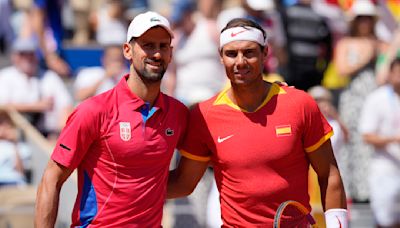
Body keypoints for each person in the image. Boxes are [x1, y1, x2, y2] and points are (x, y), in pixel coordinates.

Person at [167, 18, 348, 227]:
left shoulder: (300, 104)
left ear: (265, 54)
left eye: (249, 52)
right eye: (231, 54)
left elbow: (329, 173)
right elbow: (183, 183)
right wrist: (127, 184)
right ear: (221, 57)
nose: (240, 62)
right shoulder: (204, 115)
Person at [34, 11, 189, 227]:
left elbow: (184, 183)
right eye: (148, 45)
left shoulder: (178, 113)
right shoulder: (94, 110)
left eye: (163, 46)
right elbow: (51, 180)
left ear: (171, 53)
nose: (156, 53)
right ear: (128, 50)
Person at [0, 37, 73, 139]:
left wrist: (60, 136)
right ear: (14, 56)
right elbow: (2, 107)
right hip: (13, 136)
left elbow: (66, 106)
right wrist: (36, 106)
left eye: (31, 54)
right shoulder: (5, 76)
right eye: (23, 54)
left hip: (47, 135)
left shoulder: (50, 77)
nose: (27, 58)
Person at [359, 57, 400, 228]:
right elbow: (367, 135)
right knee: (385, 222)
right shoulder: (377, 98)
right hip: (386, 171)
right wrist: (394, 139)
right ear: (390, 74)